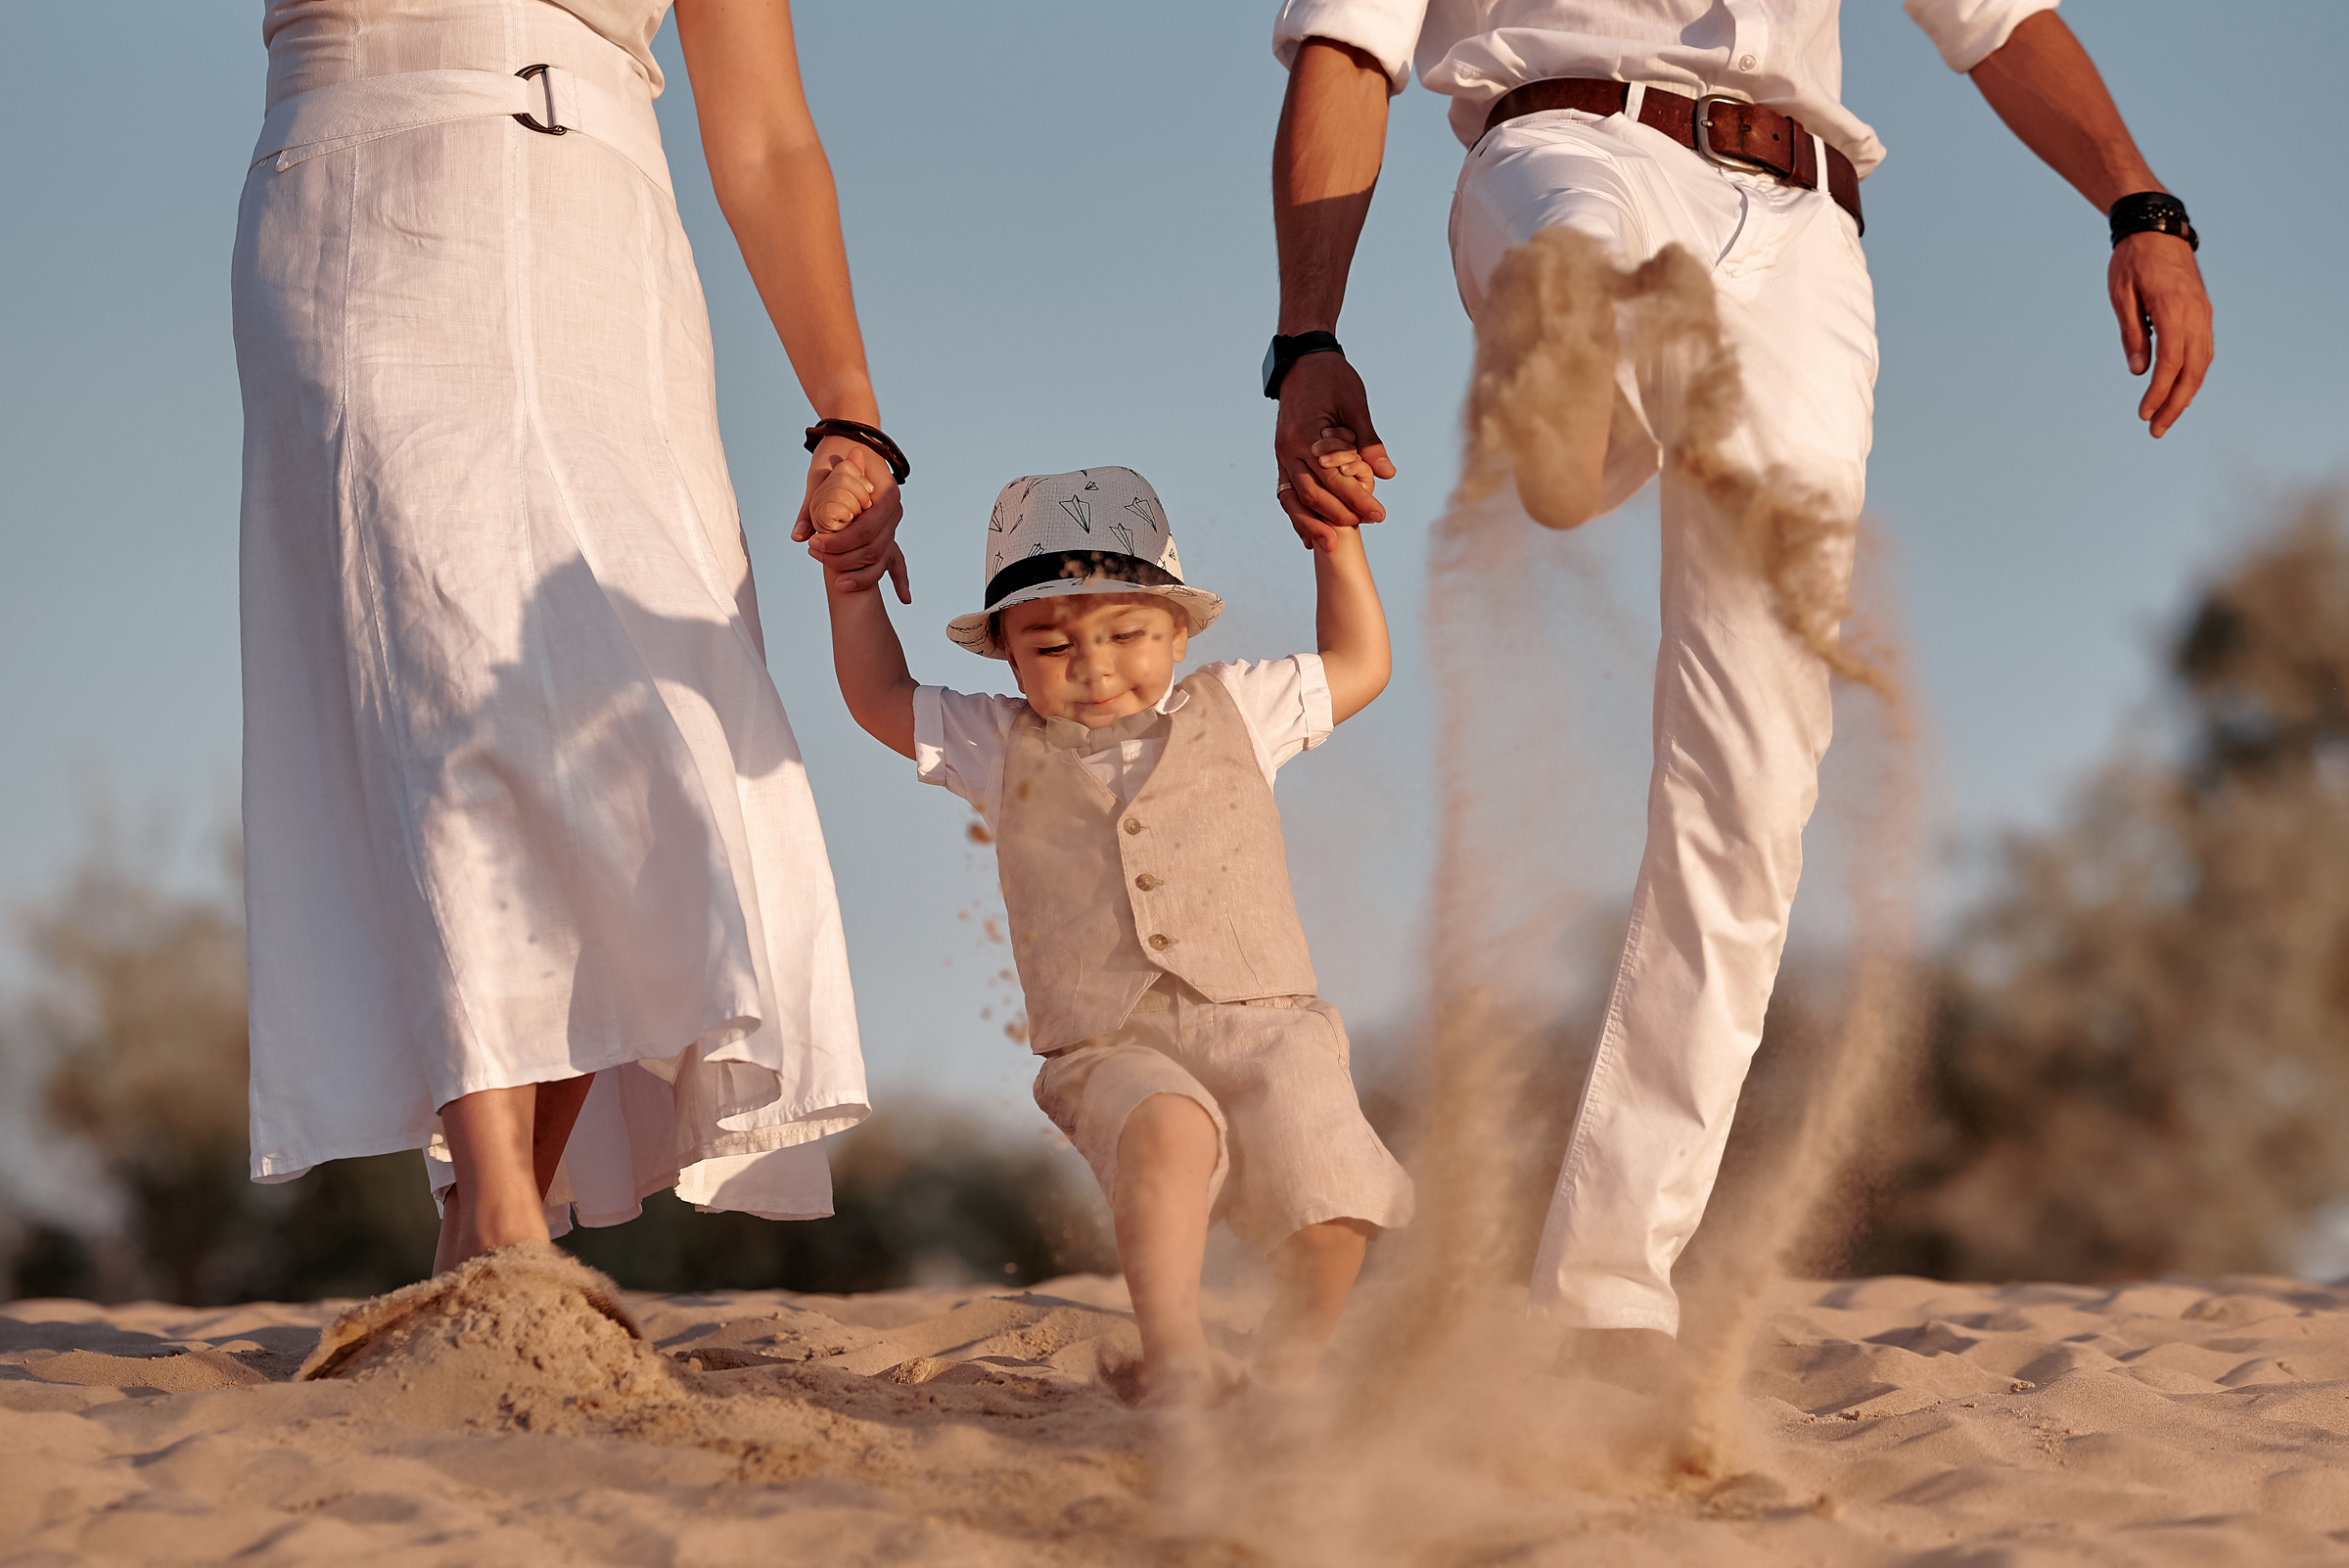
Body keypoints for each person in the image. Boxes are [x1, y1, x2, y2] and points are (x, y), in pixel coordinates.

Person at [1261, 0, 2214, 1377]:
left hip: (1806, 241)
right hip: (1573, 141)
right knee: (1575, 265)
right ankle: (1564, 414)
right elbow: (1349, 50)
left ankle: (1609, 1286)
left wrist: (2143, 206)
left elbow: (1998, 19)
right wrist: (1307, 339)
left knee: (1757, 765)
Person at [233, 0, 909, 1277]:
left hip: (607, 233)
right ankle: (492, 1207)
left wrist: (851, 415)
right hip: (369, 211)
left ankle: (491, 1232)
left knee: (650, 708)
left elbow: (765, 136)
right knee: (452, 668)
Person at [809, 462, 1415, 1401]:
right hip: (1108, 1041)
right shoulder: (998, 742)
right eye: (1051, 646)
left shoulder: (1239, 708)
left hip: (1268, 1022)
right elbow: (879, 698)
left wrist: (1338, 546)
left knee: (1330, 1178)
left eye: (1126, 633)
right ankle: (1173, 1354)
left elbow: (1361, 666)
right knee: (1167, 1131)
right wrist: (851, 590)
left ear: (1178, 632)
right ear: (1008, 659)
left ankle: (1293, 1363)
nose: (1092, 666)